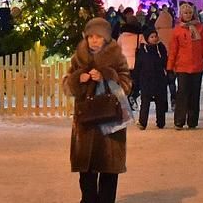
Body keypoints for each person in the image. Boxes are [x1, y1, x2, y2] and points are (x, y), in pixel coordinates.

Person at [64, 17, 131, 203]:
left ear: (107, 38)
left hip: (110, 120)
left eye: (99, 36)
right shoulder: (79, 57)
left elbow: (126, 85)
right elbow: (66, 85)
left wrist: (107, 76)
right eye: (91, 36)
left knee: (108, 168)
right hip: (86, 121)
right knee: (86, 169)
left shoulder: (117, 57)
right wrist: (78, 78)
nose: (94, 40)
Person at [167, 2, 203, 129]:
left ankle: (192, 120)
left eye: (189, 13)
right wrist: (170, 67)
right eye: (185, 13)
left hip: (197, 66)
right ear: (181, 14)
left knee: (194, 94)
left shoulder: (200, 29)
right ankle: (179, 120)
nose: (188, 15)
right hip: (182, 66)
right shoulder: (177, 31)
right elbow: (173, 50)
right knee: (182, 93)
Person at [135, 28, 169, 129]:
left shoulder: (161, 47)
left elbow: (165, 61)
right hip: (146, 79)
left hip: (159, 78)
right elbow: (138, 65)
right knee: (145, 102)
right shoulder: (142, 50)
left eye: (155, 36)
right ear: (147, 38)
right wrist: (136, 79)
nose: (154, 39)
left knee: (160, 101)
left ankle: (161, 122)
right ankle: (142, 122)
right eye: (152, 37)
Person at [155, 7, 177, 109]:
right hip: (173, 60)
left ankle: (163, 104)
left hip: (160, 62)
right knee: (172, 82)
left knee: (161, 84)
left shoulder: (156, 34)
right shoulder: (174, 32)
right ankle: (174, 100)